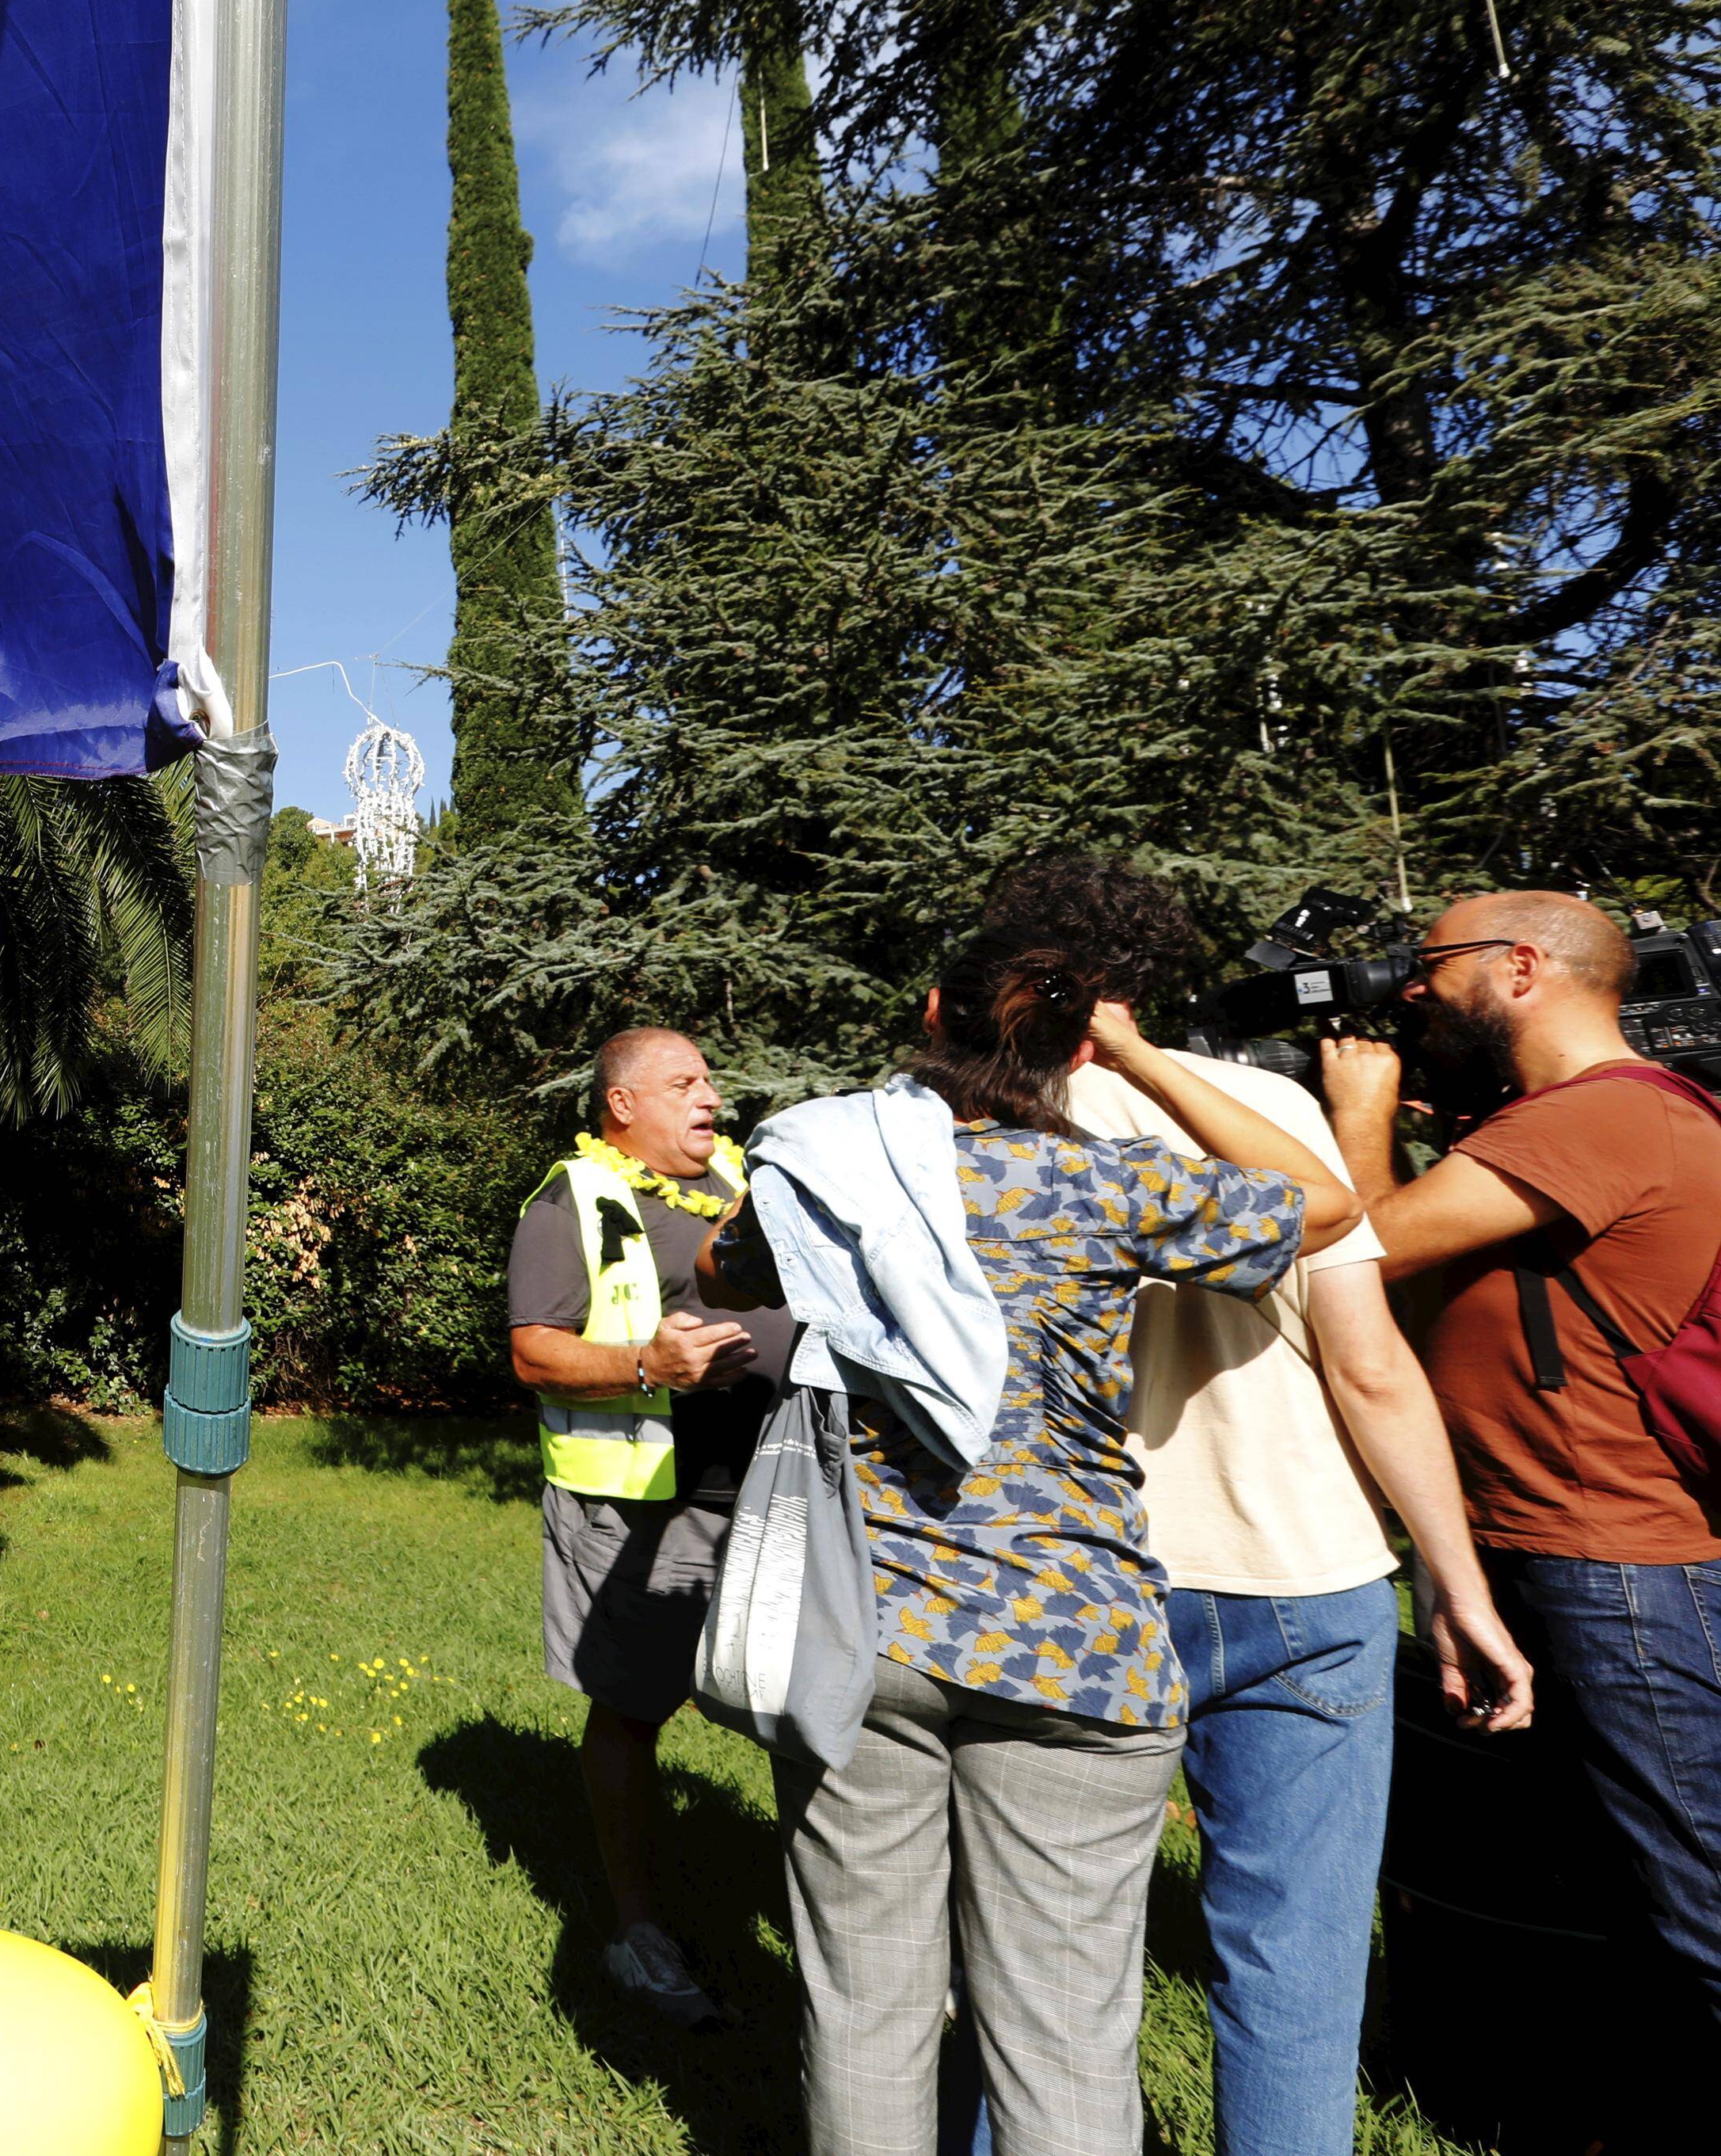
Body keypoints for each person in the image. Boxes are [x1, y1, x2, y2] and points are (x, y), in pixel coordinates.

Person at [724, 935, 1357, 2156]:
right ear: (1077, 1044)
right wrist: (1144, 1057)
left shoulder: (830, 1173)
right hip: (1079, 1648)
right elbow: (1326, 1203)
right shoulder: (1114, 1185)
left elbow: (723, 1265)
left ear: (928, 1012)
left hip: (870, 1635)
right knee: (1062, 2034)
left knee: (864, 2005)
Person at [984, 861, 1533, 2154]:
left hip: (1088, 1583)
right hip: (1313, 1572)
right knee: (1299, 1958)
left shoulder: (976, 1132)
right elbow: (1370, 1363)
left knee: (1042, 1951)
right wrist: (1457, 1582)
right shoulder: (1268, 1107)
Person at [1327, 888, 1721, 2041]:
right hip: (1565, 1553)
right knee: (1616, 1896)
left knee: (1699, 1895)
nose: (1411, 988)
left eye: (1431, 962)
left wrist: (1359, 1110)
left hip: (1616, 1568)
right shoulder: (1578, 1120)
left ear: (1520, 968)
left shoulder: (1598, 1118)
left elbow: (1371, 1246)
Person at [502, 1027, 783, 2028]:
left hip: (770, 1496)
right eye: (683, 1083)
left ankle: (824, 1906)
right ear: (622, 1105)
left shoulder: (739, 1181)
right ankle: (635, 1930)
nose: (710, 1095)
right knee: (630, 1709)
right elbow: (533, 1354)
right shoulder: (567, 1202)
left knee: (802, 1706)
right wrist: (641, 1366)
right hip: (641, 1508)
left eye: (709, 1078)